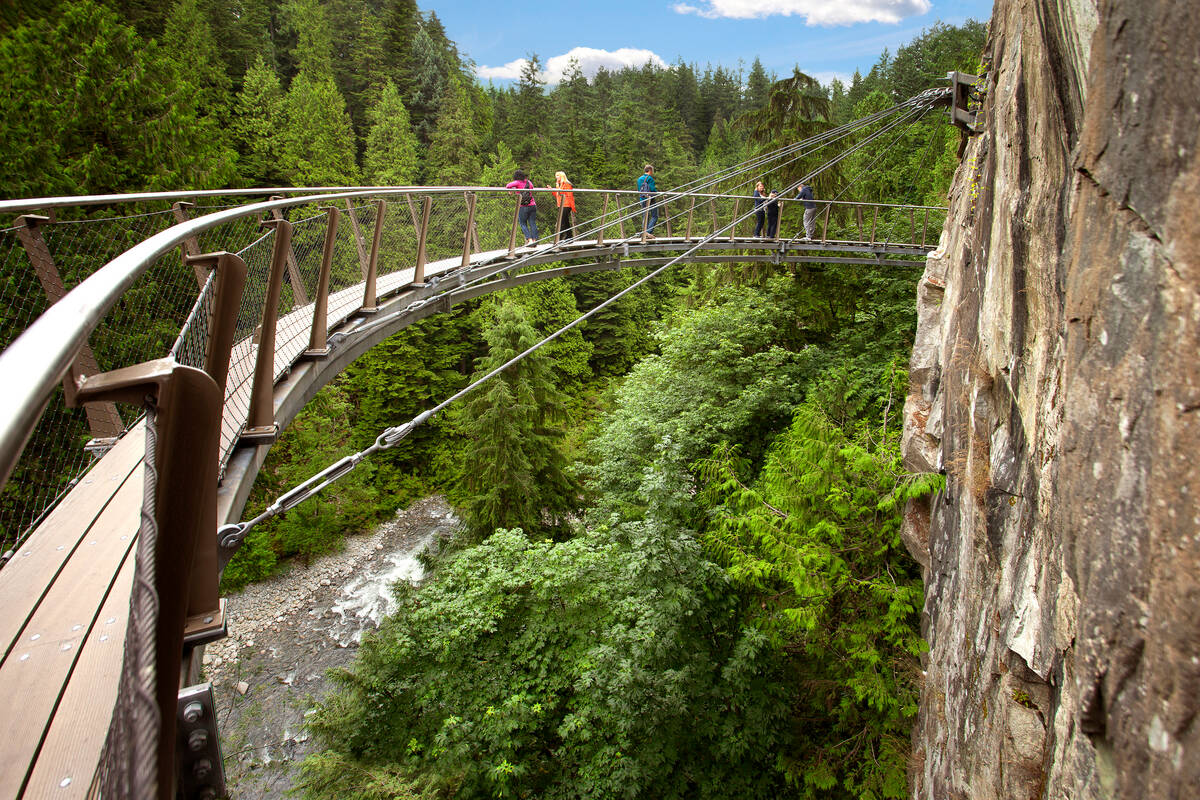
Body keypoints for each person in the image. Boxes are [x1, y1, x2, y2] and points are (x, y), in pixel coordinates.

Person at [506, 169, 538, 245]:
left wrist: (511, 190)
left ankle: (529, 240)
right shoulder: (529, 182)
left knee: (523, 223)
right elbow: (532, 188)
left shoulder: (517, 182)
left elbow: (508, 186)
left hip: (523, 206)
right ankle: (534, 240)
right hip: (532, 204)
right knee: (532, 223)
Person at [553, 170, 576, 241]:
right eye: (556, 176)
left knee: (561, 221)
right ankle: (569, 237)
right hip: (561, 205)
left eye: (558, 176)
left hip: (566, 205)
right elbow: (558, 195)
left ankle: (559, 239)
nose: (556, 177)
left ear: (561, 176)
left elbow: (568, 194)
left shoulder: (567, 184)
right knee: (565, 221)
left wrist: (558, 188)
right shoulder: (560, 185)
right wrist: (552, 190)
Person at [637, 164, 658, 239]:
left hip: (642, 199)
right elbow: (652, 189)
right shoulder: (650, 178)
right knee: (654, 216)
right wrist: (657, 193)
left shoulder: (639, 179)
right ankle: (648, 232)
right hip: (650, 200)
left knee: (644, 216)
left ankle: (644, 232)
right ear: (650, 170)